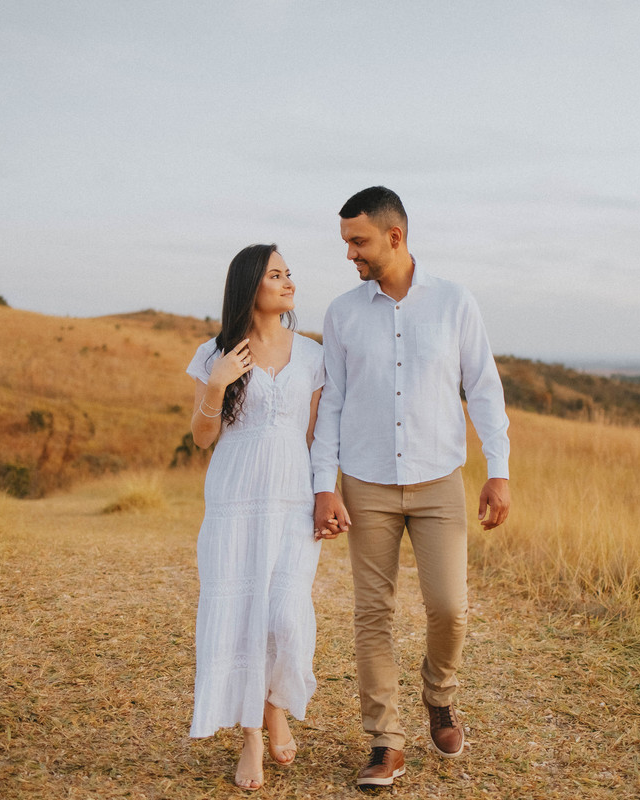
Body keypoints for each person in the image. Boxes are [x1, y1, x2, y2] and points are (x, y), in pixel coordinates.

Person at [311, 186, 512, 788]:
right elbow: (333, 403)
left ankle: (440, 696)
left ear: (394, 237)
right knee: (372, 612)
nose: (350, 254)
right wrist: (325, 485)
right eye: (347, 242)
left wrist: (498, 470)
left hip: (438, 480)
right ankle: (385, 741)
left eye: (358, 241)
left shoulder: (454, 302)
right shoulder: (342, 314)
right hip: (365, 483)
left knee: (450, 607)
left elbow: (483, 388)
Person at [185, 243, 326, 791]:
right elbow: (203, 438)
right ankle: (251, 737)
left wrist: (327, 493)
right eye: (275, 275)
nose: (289, 282)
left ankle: (274, 707)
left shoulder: (311, 354)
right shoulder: (214, 352)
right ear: (250, 285)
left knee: (285, 613)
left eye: (289, 273)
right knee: (242, 613)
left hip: (292, 496)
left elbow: (315, 435)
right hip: (235, 498)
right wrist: (217, 382)